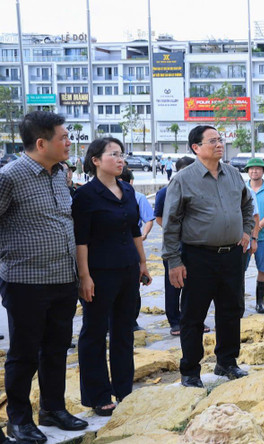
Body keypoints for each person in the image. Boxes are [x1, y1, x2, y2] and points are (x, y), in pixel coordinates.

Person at [0, 111, 87, 443]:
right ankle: (19, 420)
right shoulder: (10, 177)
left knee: (56, 348)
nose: (69, 142)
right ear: (41, 142)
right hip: (25, 281)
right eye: (63, 137)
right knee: (23, 353)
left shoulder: (60, 172)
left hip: (62, 278)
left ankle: (52, 408)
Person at [162, 125, 254, 388]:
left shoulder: (234, 174)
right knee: (193, 315)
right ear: (196, 147)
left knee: (231, 310)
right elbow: (171, 223)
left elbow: (247, 206)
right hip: (197, 256)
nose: (219, 144)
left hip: (232, 255)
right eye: (212, 140)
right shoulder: (183, 179)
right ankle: (190, 370)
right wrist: (174, 261)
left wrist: (247, 231)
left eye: (220, 140)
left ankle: (227, 362)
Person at [72, 137, 152, 417]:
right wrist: (85, 275)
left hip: (128, 269)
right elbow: (80, 240)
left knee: (123, 331)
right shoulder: (85, 196)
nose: (121, 159)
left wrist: (142, 263)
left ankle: (124, 388)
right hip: (99, 272)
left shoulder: (127, 190)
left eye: (122, 154)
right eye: (114, 154)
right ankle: (98, 394)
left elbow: (134, 230)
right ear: (96, 160)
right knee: (94, 332)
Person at [153, 156, 196, 336]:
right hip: (174, 246)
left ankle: (191, 319)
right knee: (173, 284)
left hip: (194, 245)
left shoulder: (196, 190)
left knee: (193, 285)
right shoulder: (165, 192)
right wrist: (176, 232)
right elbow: (159, 218)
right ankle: (174, 320)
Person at [118, 167, 155, 332]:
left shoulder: (136, 198)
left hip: (131, 248)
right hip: (106, 254)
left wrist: (143, 236)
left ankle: (131, 322)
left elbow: (146, 221)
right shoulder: (92, 196)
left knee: (132, 287)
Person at [245, 157, 264, 314]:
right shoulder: (242, 188)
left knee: (263, 269)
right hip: (245, 236)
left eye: (257, 168)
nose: (254, 171)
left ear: (263, 171)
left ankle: (260, 302)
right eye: (251, 169)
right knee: (239, 270)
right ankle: (238, 302)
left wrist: (258, 226)